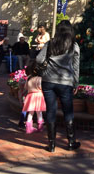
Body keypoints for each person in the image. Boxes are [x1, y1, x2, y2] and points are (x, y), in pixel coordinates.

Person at [36, 20, 80, 152]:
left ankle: (52, 145)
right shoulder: (73, 45)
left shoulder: (51, 43)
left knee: (50, 110)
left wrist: (43, 70)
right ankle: (71, 142)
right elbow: (76, 65)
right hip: (65, 82)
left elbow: (38, 59)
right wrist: (75, 82)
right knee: (68, 111)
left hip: (48, 81)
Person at [22, 59, 46, 133]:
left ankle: (28, 128)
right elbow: (41, 87)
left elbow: (26, 88)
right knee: (39, 112)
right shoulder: (40, 79)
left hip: (30, 96)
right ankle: (40, 127)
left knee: (30, 113)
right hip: (39, 96)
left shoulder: (29, 79)